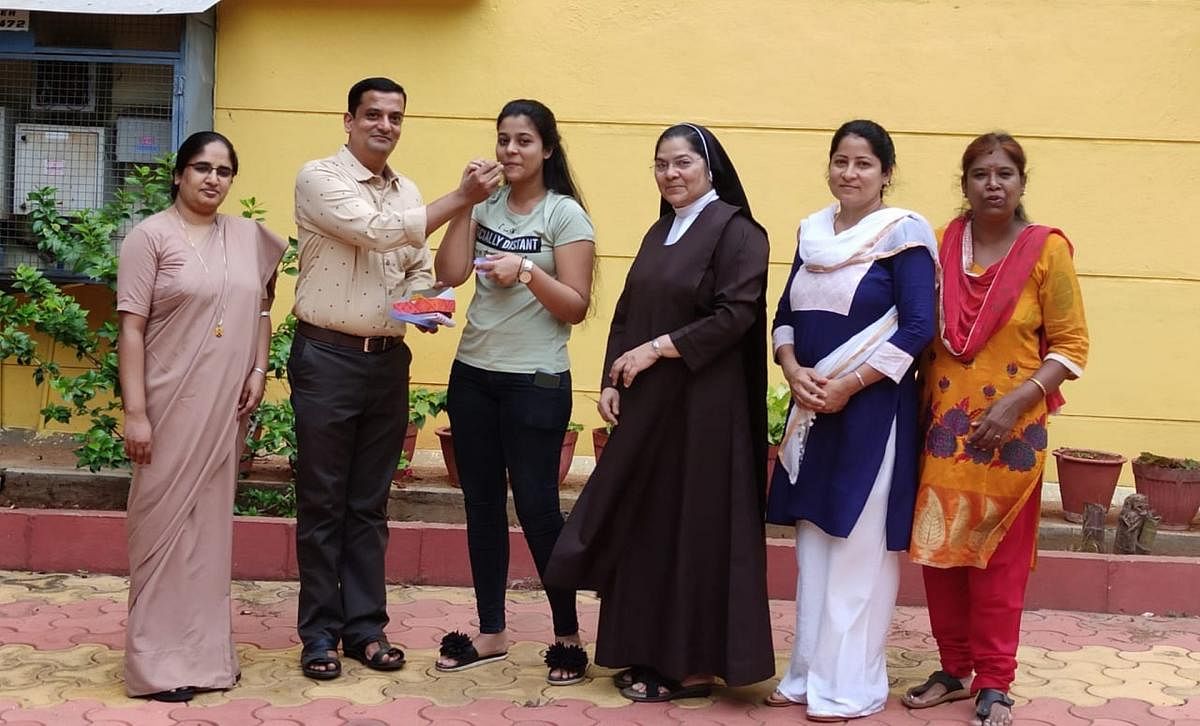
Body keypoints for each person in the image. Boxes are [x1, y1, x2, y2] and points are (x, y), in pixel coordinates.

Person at [545, 122, 774, 702]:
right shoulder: (659, 231)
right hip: (651, 407)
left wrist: (659, 348)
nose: (671, 174)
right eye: (661, 165)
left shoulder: (739, 232)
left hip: (705, 413)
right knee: (649, 526)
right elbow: (627, 311)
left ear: (708, 166)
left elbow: (737, 314)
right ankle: (646, 651)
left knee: (694, 529)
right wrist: (611, 380)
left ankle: (695, 667)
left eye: (682, 163)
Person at [290, 77, 501, 680]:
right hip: (326, 356)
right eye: (373, 115)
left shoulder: (404, 189)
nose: (385, 125)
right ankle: (319, 636)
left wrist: (421, 304)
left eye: (395, 117)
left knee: (370, 503)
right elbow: (377, 233)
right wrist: (460, 198)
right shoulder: (320, 178)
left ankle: (364, 630)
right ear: (349, 120)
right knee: (323, 500)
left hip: (387, 360)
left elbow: (413, 265)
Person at [902, 133, 1088, 726]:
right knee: (941, 553)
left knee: (999, 561)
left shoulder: (1045, 251)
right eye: (980, 173)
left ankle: (995, 680)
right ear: (965, 185)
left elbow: (1071, 345)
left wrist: (1018, 402)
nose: (992, 184)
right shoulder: (937, 247)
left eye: (1004, 173)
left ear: (1021, 184)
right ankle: (954, 668)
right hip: (943, 432)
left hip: (1010, 437)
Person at [763, 119, 938, 721]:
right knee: (814, 539)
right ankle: (808, 673)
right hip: (814, 407)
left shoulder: (904, 233)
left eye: (864, 163)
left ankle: (850, 685)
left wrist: (850, 385)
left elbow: (918, 327)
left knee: (858, 543)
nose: (850, 173)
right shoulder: (812, 233)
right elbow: (784, 313)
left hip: (871, 410)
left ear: (886, 173)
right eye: (840, 161)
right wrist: (791, 368)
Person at [117, 131, 287, 702]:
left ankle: (207, 659)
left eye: (223, 170)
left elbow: (263, 307)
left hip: (224, 410)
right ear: (179, 175)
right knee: (162, 531)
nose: (213, 179)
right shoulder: (150, 238)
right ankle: (156, 665)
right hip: (167, 407)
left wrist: (260, 370)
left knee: (209, 534)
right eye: (201, 168)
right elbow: (131, 330)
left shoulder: (245, 238)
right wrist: (136, 414)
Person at [430, 99, 595, 685]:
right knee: (480, 506)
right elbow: (448, 274)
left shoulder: (564, 215)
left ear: (547, 149)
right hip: (474, 372)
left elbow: (575, 307)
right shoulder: (487, 204)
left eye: (524, 141)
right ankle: (492, 631)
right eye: (503, 140)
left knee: (538, 508)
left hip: (537, 380)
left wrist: (525, 272)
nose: (510, 151)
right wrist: (465, 204)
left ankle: (567, 635)